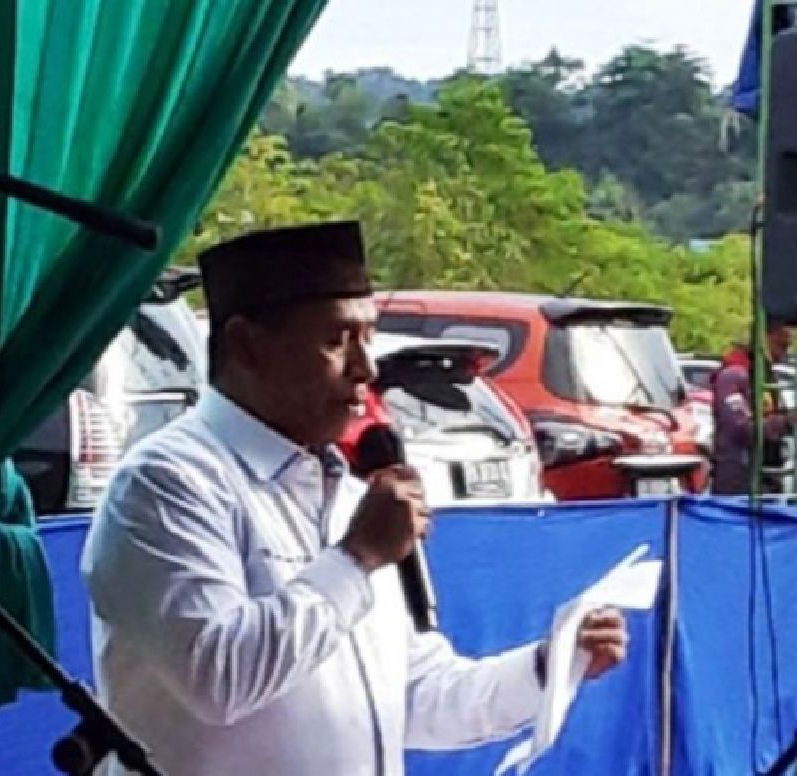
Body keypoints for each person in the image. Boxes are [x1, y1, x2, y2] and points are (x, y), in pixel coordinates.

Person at [80, 221, 629, 776]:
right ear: (248, 345)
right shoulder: (166, 483)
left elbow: (414, 696)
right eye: (337, 340)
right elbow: (218, 677)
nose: (366, 368)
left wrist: (547, 665)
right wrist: (357, 557)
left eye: (368, 337)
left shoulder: (349, 496)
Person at [710, 318, 797, 495]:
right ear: (764, 339)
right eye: (781, 346)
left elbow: (766, 412)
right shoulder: (733, 375)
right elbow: (739, 427)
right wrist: (784, 422)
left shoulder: (764, 375)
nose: (784, 355)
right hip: (739, 478)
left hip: (765, 473)